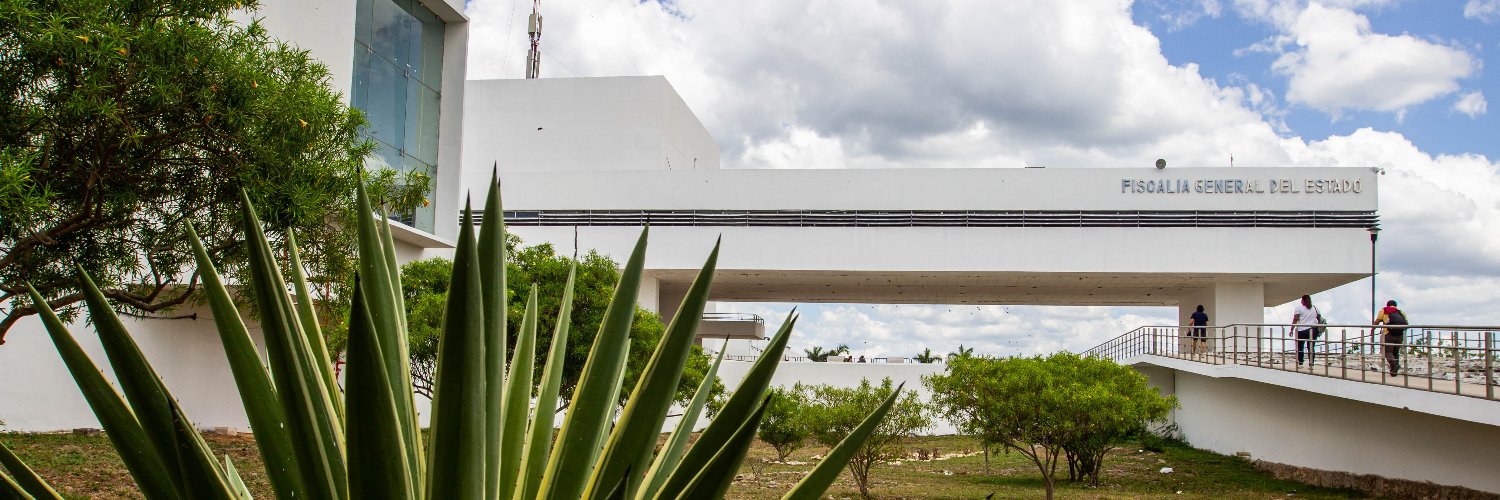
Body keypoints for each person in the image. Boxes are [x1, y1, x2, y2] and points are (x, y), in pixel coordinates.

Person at [1374, 299, 1408, 376]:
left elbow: (1378, 320)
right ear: (1395, 305)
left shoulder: (1384, 310)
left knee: (1387, 351)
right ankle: (1394, 371)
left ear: (1387, 305)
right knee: (1395, 352)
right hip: (1399, 335)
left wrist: (1373, 328)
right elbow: (1406, 322)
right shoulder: (1401, 312)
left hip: (1388, 333)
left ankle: (1394, 364)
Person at [1291, 295, 1320, 366]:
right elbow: (1319, 318)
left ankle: (1301, 362)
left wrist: (1292, 329)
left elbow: (1295, 319)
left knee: (1300, 346)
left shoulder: (1298, 308)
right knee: (1311, 347)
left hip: (1302, 330)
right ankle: (1311, 363)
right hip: (1313, 329)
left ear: (1303, 300)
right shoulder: (1315, 308)